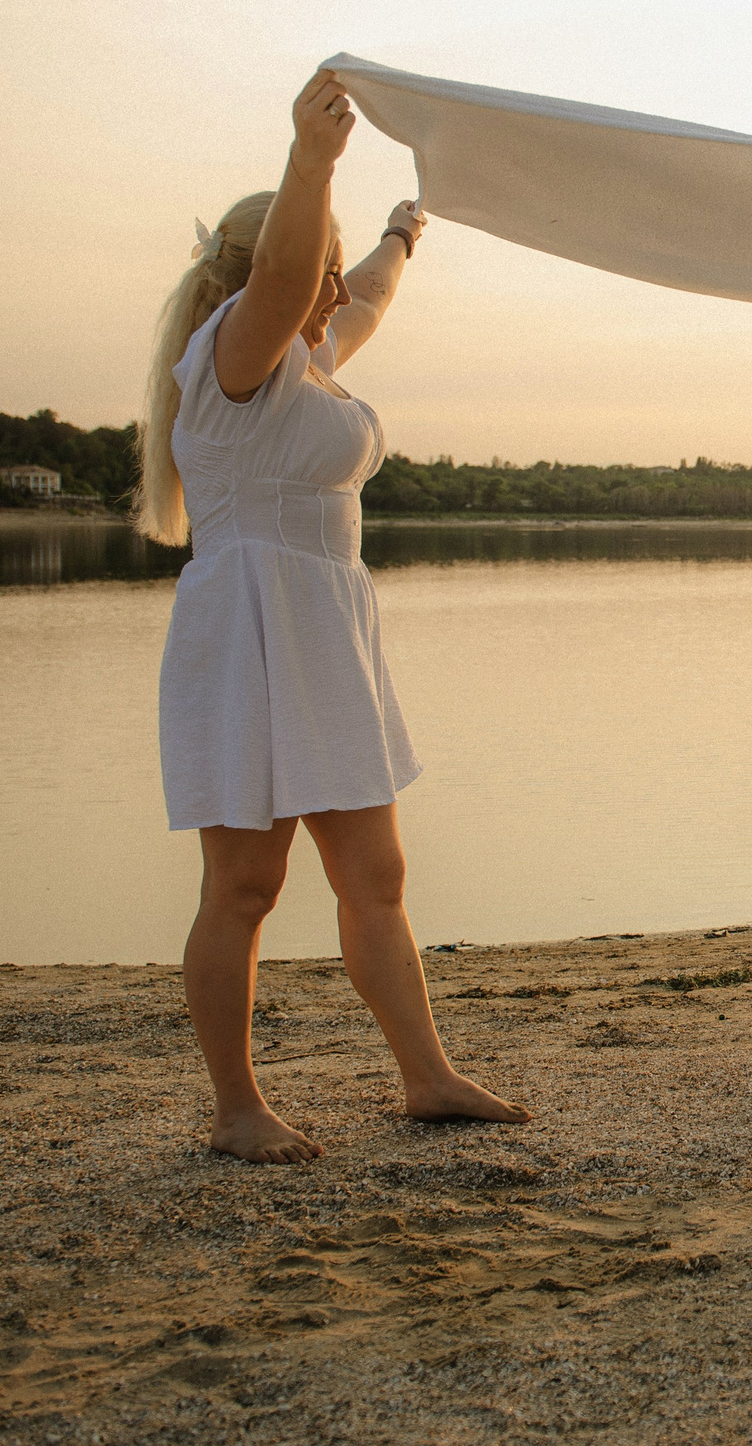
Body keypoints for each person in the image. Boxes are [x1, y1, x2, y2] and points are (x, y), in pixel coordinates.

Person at [137, 69, 530, 1163]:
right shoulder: (236, 349)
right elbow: (284, 273)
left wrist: (407, 228)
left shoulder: (306, 353)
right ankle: (236, 1107)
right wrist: (312, 158)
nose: (328, 285)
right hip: (249, 633)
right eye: (318, 258)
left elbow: (365, 294)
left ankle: (427, 1075)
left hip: (324, 631)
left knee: (377, 878)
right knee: (247, 884)